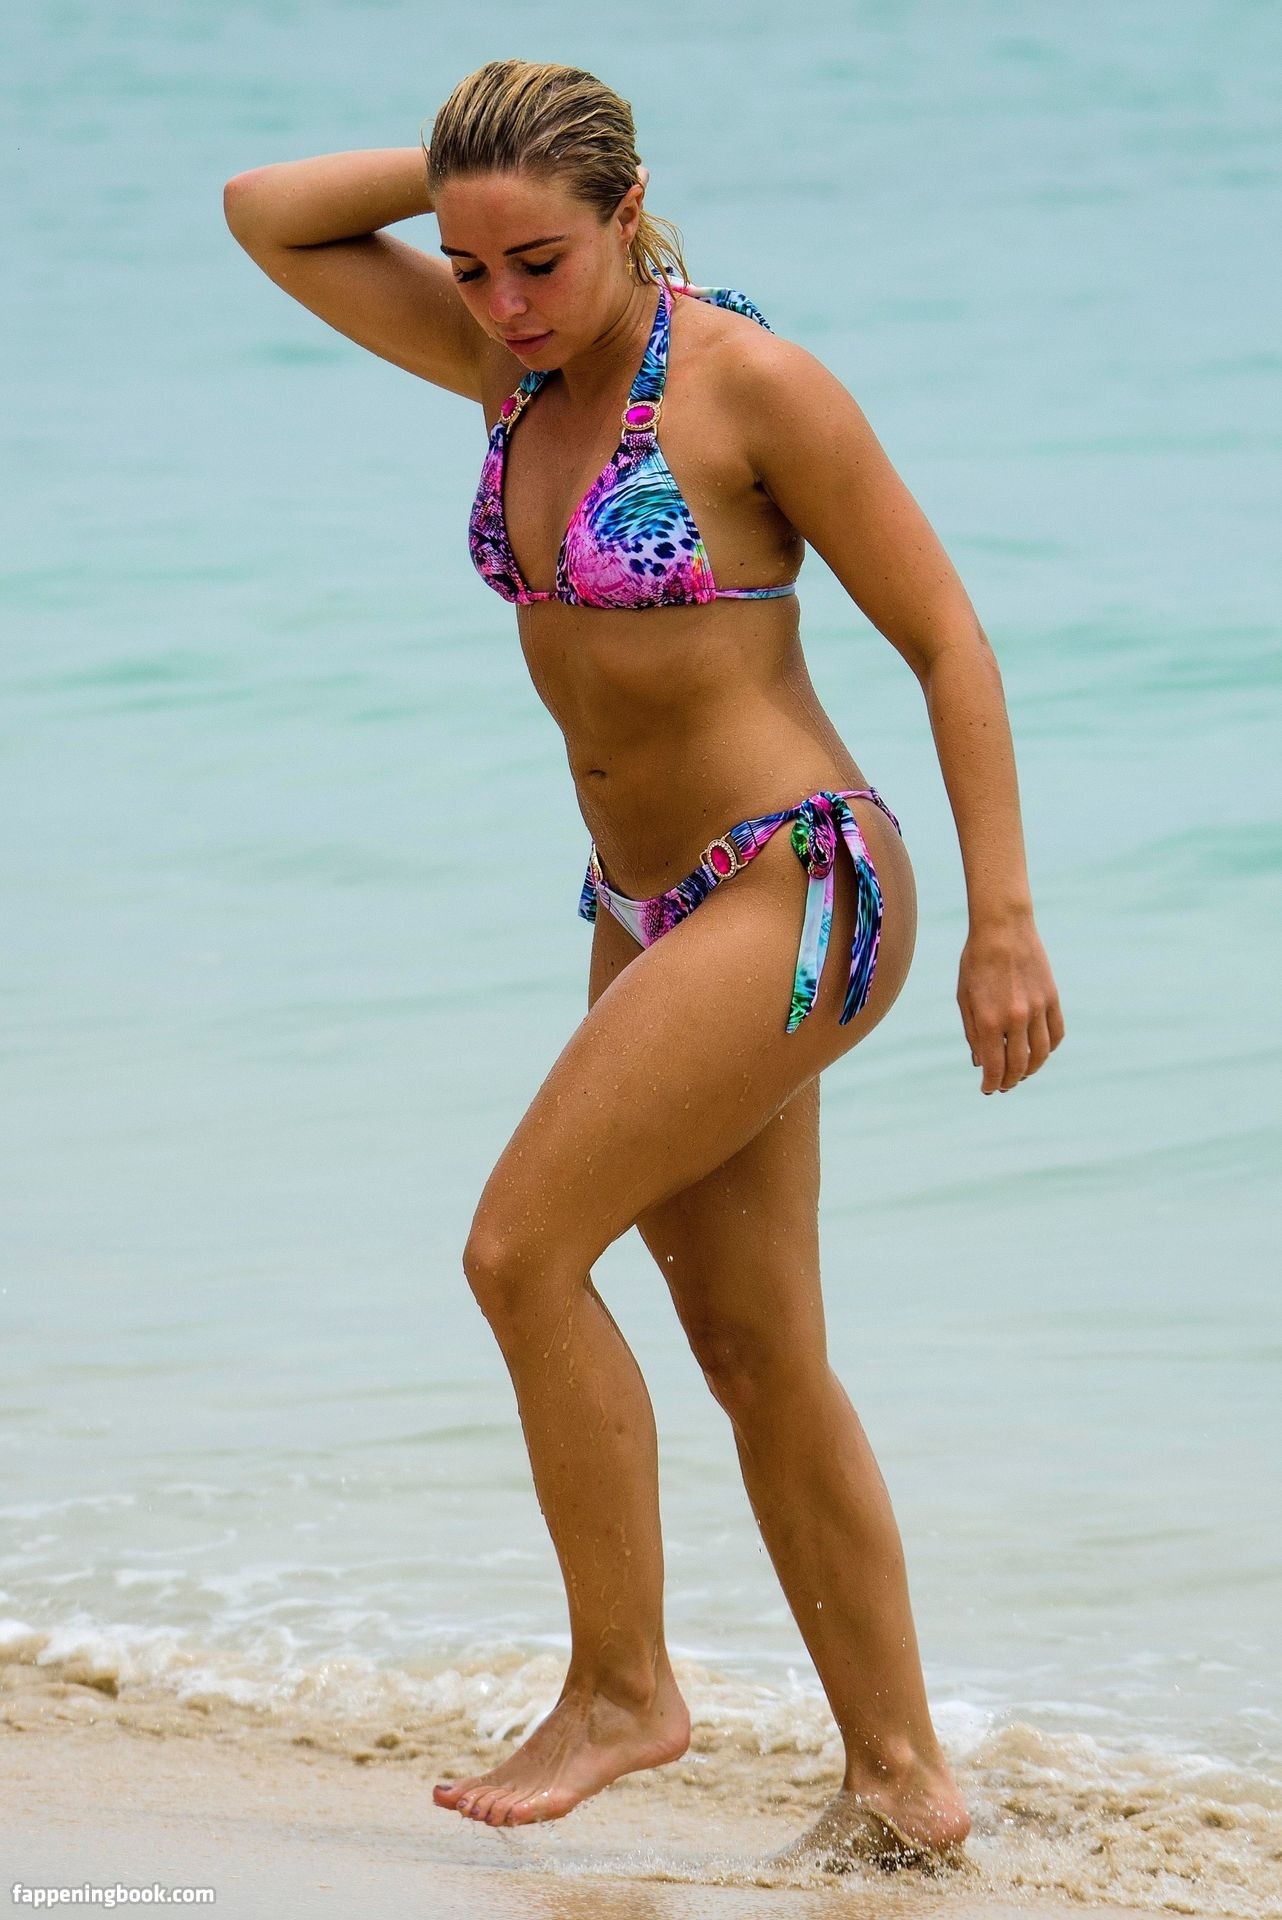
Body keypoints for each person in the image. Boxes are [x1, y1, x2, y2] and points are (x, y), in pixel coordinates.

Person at [223, 56, 1063, 1870]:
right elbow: (264, 215)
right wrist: (468, 175)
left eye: (539, 259)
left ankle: (621, 1687)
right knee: (755, 1350)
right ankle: (903, 1782)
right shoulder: (507, 371)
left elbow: (947, 640)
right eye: (469, 269)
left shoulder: (750, 385)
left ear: (628, 209)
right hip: (643, 906)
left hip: (798, 883)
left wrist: (1003, 920)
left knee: (517, 1251)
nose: (502, 303)